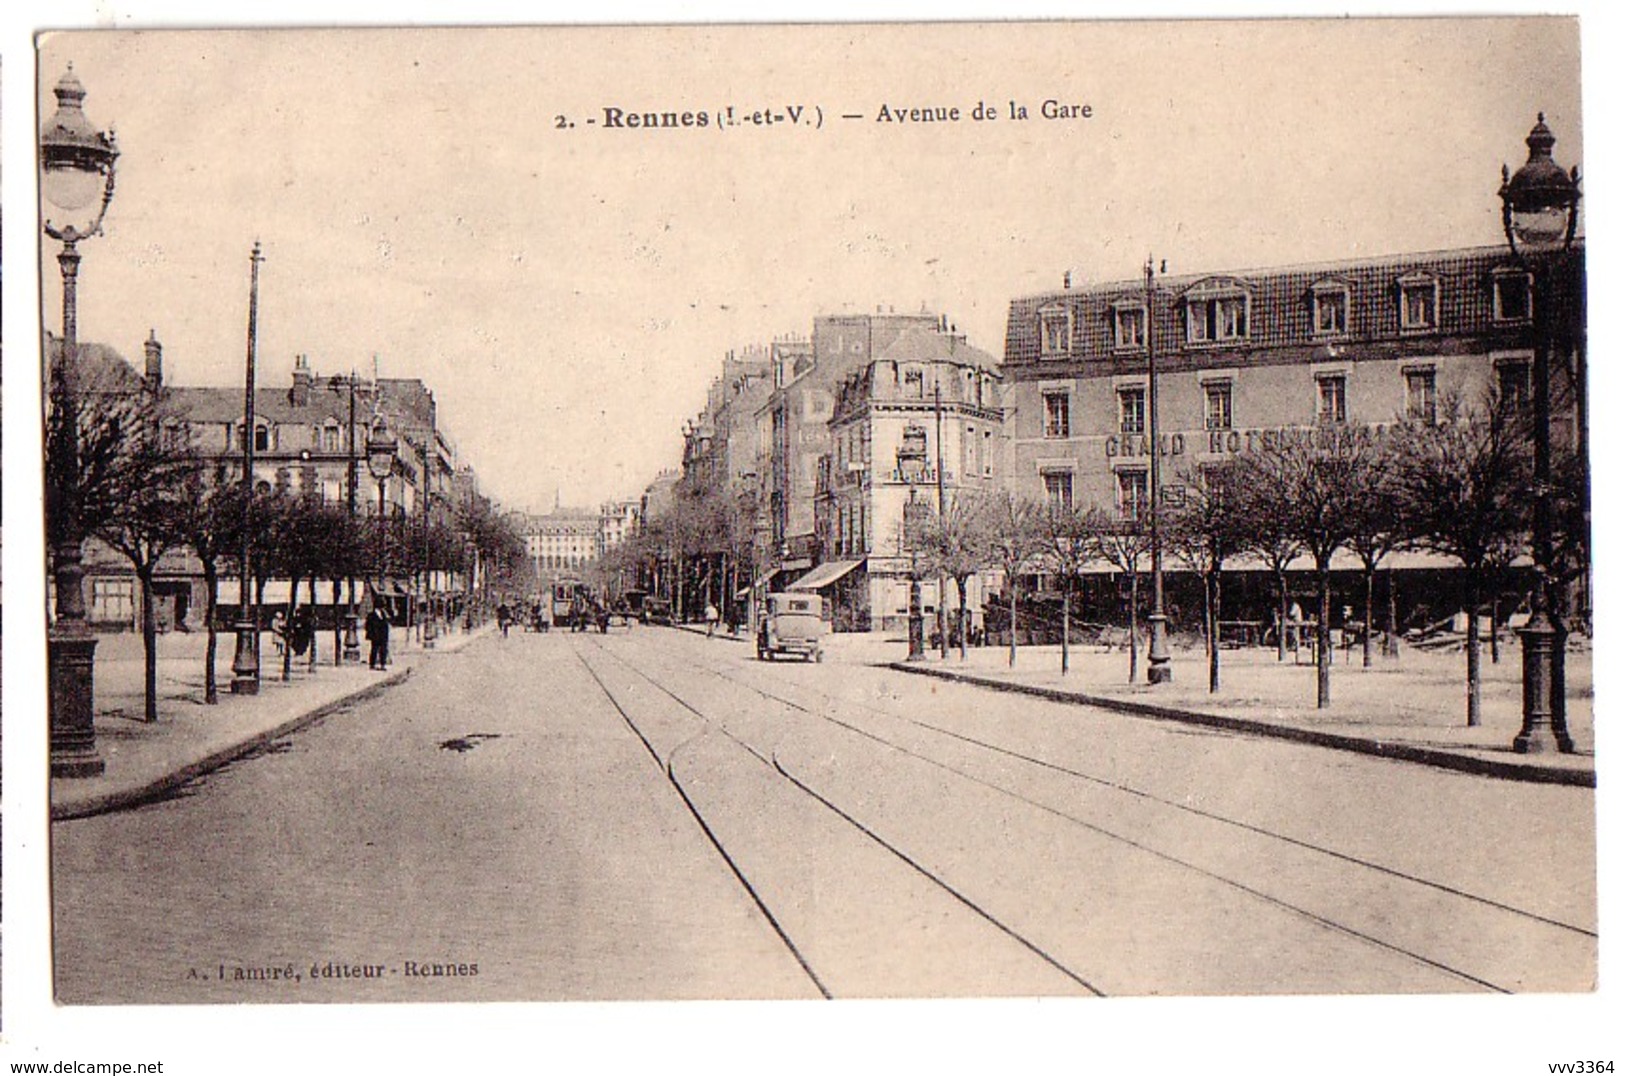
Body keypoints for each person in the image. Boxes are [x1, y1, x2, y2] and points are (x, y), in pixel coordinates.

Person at [365, 604, 391, 670]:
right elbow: (368, 626)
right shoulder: (371, 615)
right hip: (375, 635)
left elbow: (386, 623)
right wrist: (371, 634)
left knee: (383, 650)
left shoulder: (383, 614)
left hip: (383, 635)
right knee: (374, 649)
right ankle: (372, 664)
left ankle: (383, 664)